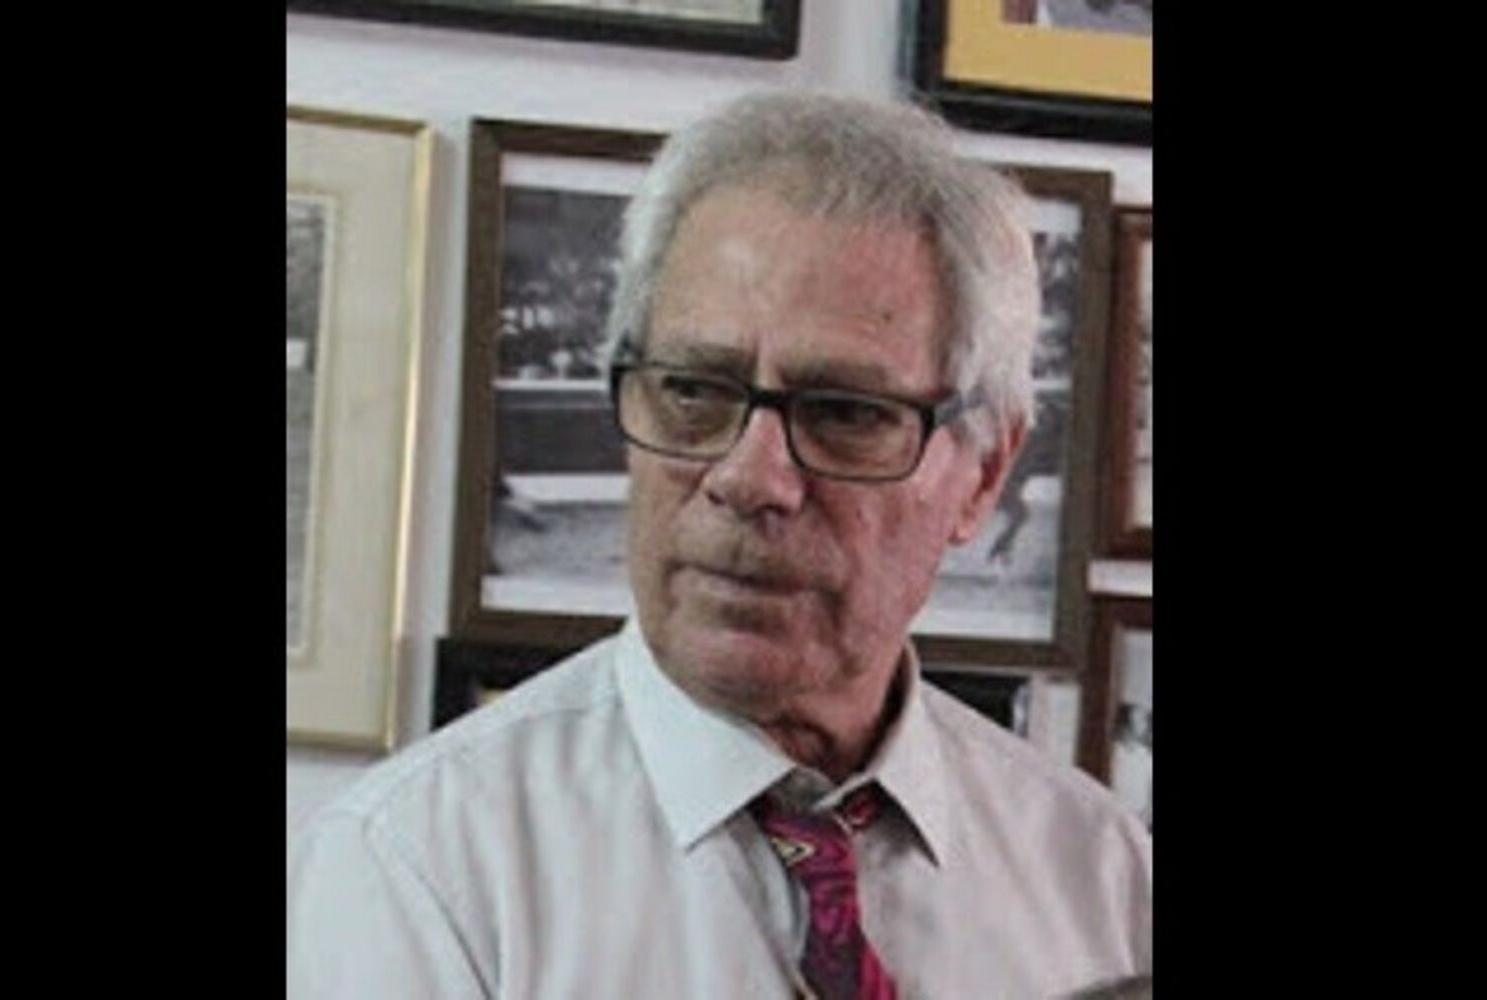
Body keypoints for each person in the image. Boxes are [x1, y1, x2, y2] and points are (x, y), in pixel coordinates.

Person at [287, 91, 1152, 998]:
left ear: (982, 474)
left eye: (845, 412)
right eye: (693, 391)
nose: (749, 478)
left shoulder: (1104, 886)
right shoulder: (419, 872)